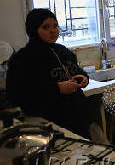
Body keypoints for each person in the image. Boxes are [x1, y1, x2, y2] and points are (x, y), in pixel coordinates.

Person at [6, 9, 98, 138]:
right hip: (50, 125)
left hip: (77, 119)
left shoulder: (62, 50)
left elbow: (76, 70)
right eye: (46, 27)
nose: (53, 30)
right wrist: (57, 89)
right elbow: (17, 95)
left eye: (55, 26)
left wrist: (84, 78)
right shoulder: (22, 59)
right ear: (34, 30)